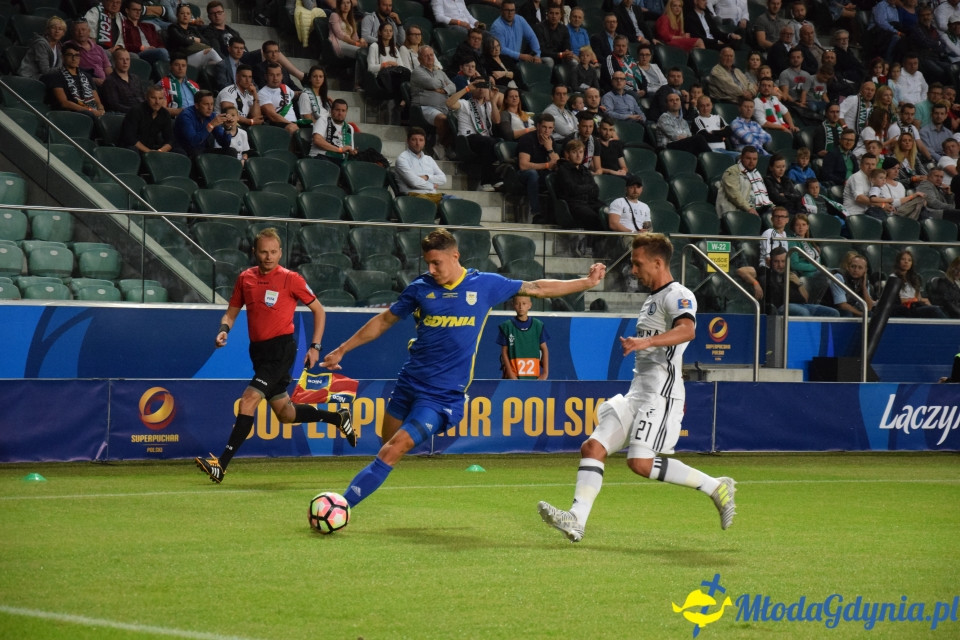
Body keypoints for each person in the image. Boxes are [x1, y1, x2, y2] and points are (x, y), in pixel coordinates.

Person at [321, 229, 606, 510]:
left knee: (394, 448)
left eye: (437, 263)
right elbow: (384, 320)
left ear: (455, 256)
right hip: (409, 382)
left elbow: (537, 287)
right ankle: (361, 490)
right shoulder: (420, 288)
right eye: (428, 263)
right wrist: (343, 349)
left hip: (443, 397)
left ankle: (342, 506)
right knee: (386, 445)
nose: (431, 269)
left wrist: (587, 282)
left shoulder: (485, 285)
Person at [538, 232, 735, 543]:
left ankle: (715, 486)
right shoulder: (653, 298)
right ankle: (576, 519)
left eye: (637, 263)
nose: (632, 270)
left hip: (661, 392)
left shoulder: (678, 294)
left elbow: (688, 330)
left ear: (658, 263)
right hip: (637, 391)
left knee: (640, 463)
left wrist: (647, 341)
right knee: (593, 447)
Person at [195, 228, 355, 484]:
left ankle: (220, 465)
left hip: (281, 351)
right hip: (258, 352)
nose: (268, 257)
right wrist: (224, 330)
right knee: (285, 413)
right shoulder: (245, 278)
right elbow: (231, 313)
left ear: (280, 252)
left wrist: (315, 346)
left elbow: (319, 310)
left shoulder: (290, 279)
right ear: (254, 252)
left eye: (273, 252)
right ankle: (337, 418)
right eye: (263, 252)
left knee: (248, 400)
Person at [738, 246, 840, 316]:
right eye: (776, 261)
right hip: (782, 307)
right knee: (803, 313)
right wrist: (755, 283)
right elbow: (741, 271)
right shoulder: (765, 271)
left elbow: (806, 298)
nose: (780, 265)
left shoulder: (791, 274)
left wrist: (799, 284)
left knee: (833, 313)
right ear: (770, 262)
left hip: (802, 305)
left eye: (783, 261)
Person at [446, 78, 502, 191]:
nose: (481, 89)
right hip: (467, 139)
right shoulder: (465, 104)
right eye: (478, 86)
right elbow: (449, 103)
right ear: (472, 89)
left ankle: (495, 179)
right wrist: (466, 89)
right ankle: (486, 181)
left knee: (500, 143)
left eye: (484, 86)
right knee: (488, 142)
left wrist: (493, 100)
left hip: (484, 140)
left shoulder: (489, 106)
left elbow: (497, 121)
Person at [411, 46, 456, 156]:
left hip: (444, 107)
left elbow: (453, 87)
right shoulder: (417, 72)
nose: (430, 58)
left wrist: (444, 89)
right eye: (426, 56)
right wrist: (442, 84)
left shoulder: (440, 72)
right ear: (419, 59)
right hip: (425, 107)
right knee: (443, 119)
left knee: (460, 120)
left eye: (431, 55)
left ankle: (450, 147)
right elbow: (432, 84)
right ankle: (439, 145)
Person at [44, 42, 106, 119]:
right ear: (63, 57)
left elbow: (97, 101)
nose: (74, 58)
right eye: (70, 55)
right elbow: (64, 103)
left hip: (91, 112)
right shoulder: (56, 76)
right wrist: (90, 111)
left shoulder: (87, 76)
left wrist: (100, 109)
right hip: (70, 114)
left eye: (77, 55)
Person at [554, 138, 606, 230]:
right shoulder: (563, 170)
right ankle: (594, 243)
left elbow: (596, 191)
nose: (578, 156)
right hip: (574, 205)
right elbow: (573, 190)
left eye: (581, 152)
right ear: (568, 154)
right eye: (574, 152)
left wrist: (583, 189)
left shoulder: (585, 170)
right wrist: (589, 187)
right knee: (593, 217)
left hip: (590, 202)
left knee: (609, 212)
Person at [518, 114, 559, 222]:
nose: (547, 131)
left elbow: (557, 164)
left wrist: (549, 149)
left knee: (559, 176)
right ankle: (536, 213)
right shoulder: (527, 139)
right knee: (532, 174)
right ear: (538, 126)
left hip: (542, 173)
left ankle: (556, 215)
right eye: (544, 127)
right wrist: (546, 165)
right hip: (523, 174)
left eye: (550, 128)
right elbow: (523, 165)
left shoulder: (551, 141)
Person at [498, 295, 550, 380]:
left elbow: (544, 349)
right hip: (513, 378)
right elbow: (504, 352)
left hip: (534, 378)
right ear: (513, 305)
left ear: (530, 305)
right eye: (518, 304)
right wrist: (511, 375)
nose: (521, 306)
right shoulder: (507, 326)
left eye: (524, 303)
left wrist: (545, 373)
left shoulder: (538, 325)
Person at [889, 249, 948, 318]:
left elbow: (918, 297)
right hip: (903, 308)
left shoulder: (914, 278)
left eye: (909, 260)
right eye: (903, 259)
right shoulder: (893, 277)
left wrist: (923, 301)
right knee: (934, 310)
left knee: (938, 308)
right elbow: (894, 299)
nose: (906, 262)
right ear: (898, 262)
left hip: (914, 305)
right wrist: (913, 300)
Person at [395, 126, 446, 204]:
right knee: (430, 202)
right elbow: (414, 182)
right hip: (413, 196)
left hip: (433, 196)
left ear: (424, 142)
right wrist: (432, 185)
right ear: (408, 141)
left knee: (457, 201)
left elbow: (443, 179)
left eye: (421, 140)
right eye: (414, 140)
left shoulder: (429, 159)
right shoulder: (402, 159)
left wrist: (426, 177)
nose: (418, 143)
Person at [716, 145, 772, 216]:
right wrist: (749, 208)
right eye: (748, 158)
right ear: (741, 157)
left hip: (749, 211)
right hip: (731, 213)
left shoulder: (756, 174)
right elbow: (734, 194)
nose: (752, 162)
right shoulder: (732, 171)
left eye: (754, 159)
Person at [174, 89, 232, 157]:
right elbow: (193, 142)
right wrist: (211, 125)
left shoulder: (212, 116)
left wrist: (227, 129)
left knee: (230, 151)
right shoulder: (186, 116)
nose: (210, 108)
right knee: (196, 152)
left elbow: (224, 144)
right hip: (185, 151)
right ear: (197, 105)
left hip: (202, 151)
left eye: (212, 104)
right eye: (206, 104)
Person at [119, 84, 175, 152]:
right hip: (132, 148)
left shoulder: (165, 114)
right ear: (146, 97)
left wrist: (160, 151)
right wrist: (149, 152)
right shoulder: (136, 111)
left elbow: (170, 140)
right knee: (132, 149)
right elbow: (130, 138)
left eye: (160, 98)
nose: (157, 102)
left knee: (178, 151)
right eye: (153, 98)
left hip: (151, 148)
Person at [489, 0, 545, 67]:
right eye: (507, 10)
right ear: (501, 11)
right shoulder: (497, 27)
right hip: (502, 61)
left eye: (512, 10)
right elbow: (501, 49)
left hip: (517, 60)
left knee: (546, 62)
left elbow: (532, 37)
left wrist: (537, 55)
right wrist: (520, 56)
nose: (510, 13)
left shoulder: (520, 19)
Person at [166, 3, 222, 67]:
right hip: (181, 59)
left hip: (196, 55)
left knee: (214, 63)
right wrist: (194, 39)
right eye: (182, 13)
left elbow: (206, 43)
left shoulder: (192, 29)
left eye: (188, 13)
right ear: (177, 15)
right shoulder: (173, 28)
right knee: (211, 53)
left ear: (191, 16)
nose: (185, 16)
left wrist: (194, 39)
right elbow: (183, 41)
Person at [309, 98, 359, 163]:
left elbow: (349, 148)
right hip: (320, 156)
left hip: (340, 159)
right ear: (331, 111)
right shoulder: (323, 120)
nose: (340, 113)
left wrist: (352, 151)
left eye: (343, 111)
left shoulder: (349, 128)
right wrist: (339, 150)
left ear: (346, 112)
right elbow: (317, 140)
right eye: (337, 110)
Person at [100, 46, 147, 114]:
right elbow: (114, 106)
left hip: (141, 113)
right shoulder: (110, 81)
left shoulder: (135, 78)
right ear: (115, 61)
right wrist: (136, 111)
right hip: (124, 115)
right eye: (121, 59)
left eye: (127, 59)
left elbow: (142, 98)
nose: (125, 62)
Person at [120, 0, 168, 66]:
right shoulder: (124, 26)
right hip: (138, 52)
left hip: (154, 51)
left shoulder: (149, 26)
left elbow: (159, 43)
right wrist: (142, 48)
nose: (138, 12)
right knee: (162, 52)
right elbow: (124, 44)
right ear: (127, 10)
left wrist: (157, 48)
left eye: (140, 10)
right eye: (135, 10)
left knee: (169, 53)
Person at [18, 16, 66, 81]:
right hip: (29, 77)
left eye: (60, 29)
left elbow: (58, 68)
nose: (57, 31)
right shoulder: (41, 44)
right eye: (53, 28)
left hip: (44, 77)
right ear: (47, 30)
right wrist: (65, 69)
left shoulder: (58, 47)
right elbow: (45, 71)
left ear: (63, 33)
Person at [257, 61, 299, 134]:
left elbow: (296, 94)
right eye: (271, 75)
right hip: (277, 125)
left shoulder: (285, 87)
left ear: (282, 76)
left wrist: (306, 93)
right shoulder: (262, 93)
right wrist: (291, 123)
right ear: (266, 77)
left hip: (293, 124)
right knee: (293, 129)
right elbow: (272, 116)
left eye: (278, 75)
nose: (275, 78)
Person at [73, 20, 113, 87]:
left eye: (83, 29)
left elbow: (108, 69)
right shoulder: (70, 47)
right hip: (84, 83)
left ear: (89, 31)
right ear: (73, 33)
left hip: (104, 84)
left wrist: (112, 82)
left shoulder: (99, 48)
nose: (81, 33)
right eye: (77, 30)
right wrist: (92, 80)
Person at [535, 5, 576, 69]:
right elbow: (541, 51)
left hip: (560, 57)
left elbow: (567, 46)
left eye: (557, 13)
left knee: (574, 62)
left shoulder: (564, 29)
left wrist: (568, 53)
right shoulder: (539, 28)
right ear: (547, 15)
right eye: (551, 13)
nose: (554, 16)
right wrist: (560, 55)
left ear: (560, 15)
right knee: (549, 61)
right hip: (543, 56)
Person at [842, 153, 878, 217]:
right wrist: (880, 204)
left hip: (868, 213)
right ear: (861, 165)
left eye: (873, 164)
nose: (870, 167)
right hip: (853, 214)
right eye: (867, 164)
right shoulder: (856, 177)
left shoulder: (874, 179)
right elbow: (859, 198)